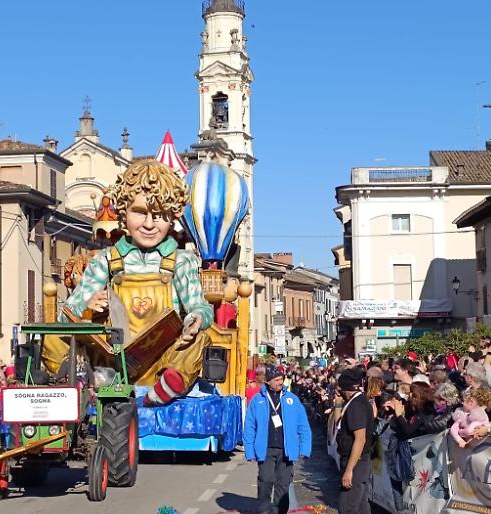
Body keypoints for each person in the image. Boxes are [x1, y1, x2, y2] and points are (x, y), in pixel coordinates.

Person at [60, 160, 213, 397]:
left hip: (166, 357)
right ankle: (77, 385)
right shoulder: (106, 261)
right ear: (123, 212)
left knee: (201, 339)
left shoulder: (180, 261)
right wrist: (86, 308)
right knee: (54, 338)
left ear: (172, 216)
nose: (150, 224)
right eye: (140, 213)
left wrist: (194, 321)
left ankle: (169, 384)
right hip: (115, 361)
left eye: (160, 215)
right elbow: (65, 316)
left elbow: (198, 305)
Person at [243, 366, 311, 514]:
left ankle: (279, 511)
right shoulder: (257, 400)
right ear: (268, 382)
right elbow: (249, 426)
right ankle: (264, 511)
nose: (281, 382)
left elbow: (303, 425)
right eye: (277, 380)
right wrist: (249, 450)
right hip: (265, 448)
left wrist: (305, 447)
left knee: (283, 484)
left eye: (281, 379)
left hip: (287, 450)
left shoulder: (292, 399)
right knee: (266, 481)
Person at [334, 368, 372, 514]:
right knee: (361, 505)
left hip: (357, 462)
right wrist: (338, 404)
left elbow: (360, 439)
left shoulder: (356, 405)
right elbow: (339, 423)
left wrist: (349, 471)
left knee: (347, 507)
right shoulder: (352, 402)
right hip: (356, 461)